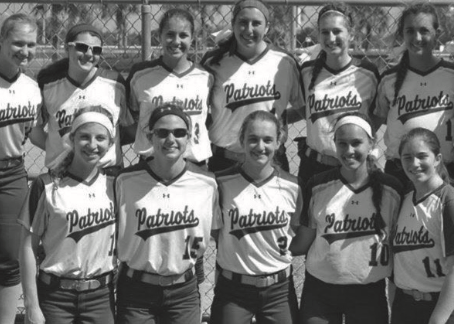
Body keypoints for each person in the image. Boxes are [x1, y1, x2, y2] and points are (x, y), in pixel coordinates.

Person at [290, 112, 402, 324]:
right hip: (320, 290)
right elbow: (303, 242)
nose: (349, 151)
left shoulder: (392, 190)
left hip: (368, 291)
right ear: (334, 144)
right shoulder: (317, 185)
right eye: (342, 144)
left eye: (356, 143)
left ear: (371, 143)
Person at [115, 103, 218, 324]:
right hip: (136, 291)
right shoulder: (126, 181)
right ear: (149, 136)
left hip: (184, 291)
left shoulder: (207, 183)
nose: (171, 139)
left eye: (179, 133)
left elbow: (203, 236)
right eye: (162, 132)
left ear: (189, 137)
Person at [19, 106, 118, 324]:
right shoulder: (46, 186)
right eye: (84, 137)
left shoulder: (116, 185)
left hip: (100, 297)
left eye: (100, 138)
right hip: (55, 295)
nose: (92, 145)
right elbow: (27, 247)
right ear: (71, 139)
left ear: (110, 143)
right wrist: (31, 306)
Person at [210, 110, 301, 324]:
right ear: (241, 141)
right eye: (253, 139)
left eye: (268, 140)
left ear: (279, 142)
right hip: (233, 289)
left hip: (279, 291)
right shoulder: (220, 183)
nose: (260, 147)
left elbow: (296, 234)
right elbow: (215, 232)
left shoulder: (293, 186)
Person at [201, 0, 304, 173]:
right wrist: (220, 122)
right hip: (225, 160)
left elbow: (303, 108)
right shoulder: (213, 62)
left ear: (267, 27)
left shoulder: (284, 62)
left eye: (256, 23)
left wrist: (279, 119)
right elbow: (200, 111)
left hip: (271, 161)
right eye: (243, 22)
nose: (249, 29)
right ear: (232, 24)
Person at [373, 1, 454, 188]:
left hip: (443, 169)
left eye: (424, 30)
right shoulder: (389, 79)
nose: (417, 37)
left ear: (437, 34)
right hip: (400, 170)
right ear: (402, 34)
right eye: (410, 31)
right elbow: (374, 121)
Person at [0, 13, 41, 324]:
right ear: (1, 41)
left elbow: (35, 136)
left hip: (12, 176)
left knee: (10, 260)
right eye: (18, 42)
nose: (25, 50)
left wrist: (72, 145)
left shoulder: (31, 87)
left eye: (31, 44)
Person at [392, 127, 454, 324]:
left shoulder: (450, 202)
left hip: (444, 307)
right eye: (407, 157)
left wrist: (437, 320)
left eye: (422, 156)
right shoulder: (403, 201)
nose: (414, 164)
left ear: (438, 159)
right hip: (405, 306)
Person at [291, 3, 380, 184]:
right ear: (318, 35)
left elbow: (376, 117)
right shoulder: (307, 72)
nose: (331, 38)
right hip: (314, 165)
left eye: (337, 31)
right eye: (325, 32)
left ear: (351, 34)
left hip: (356, 165)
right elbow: (304, 110)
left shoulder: (367, 73)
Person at [31, 23, 133, 176]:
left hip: (106, 173)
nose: (89, 54)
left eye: (96, 50)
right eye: (82, 47)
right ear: (67, 48)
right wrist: (63, 150)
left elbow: (130, 129)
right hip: (63, 173)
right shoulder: (49, 85)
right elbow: (35, 131)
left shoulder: (115, 83)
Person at [127, 8, 213, 167]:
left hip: (194, 163)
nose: (176, 41)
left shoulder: (206, 77)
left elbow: (208, 120)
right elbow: (131, 119)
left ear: (192, 38)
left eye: (183, 35)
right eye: (170, 34)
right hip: (151, 162)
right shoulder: (140, 76)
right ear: (159, 36)